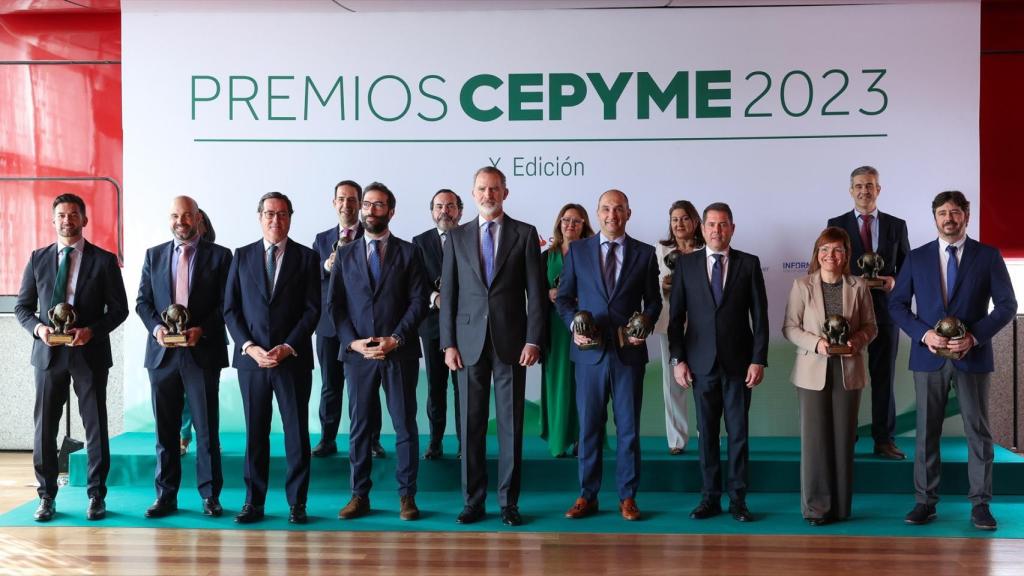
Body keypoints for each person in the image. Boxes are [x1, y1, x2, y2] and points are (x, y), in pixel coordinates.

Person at [889, 191, 1017, 531]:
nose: (949, 218)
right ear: (934, 217)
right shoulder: (916, 258)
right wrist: (924, 334)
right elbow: (897, 305)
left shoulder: (987, 256)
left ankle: (980, 506)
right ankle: (925, 503)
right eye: (943, 212)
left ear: (967, 216)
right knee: (925, 433)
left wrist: (975, 336)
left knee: (978, 432)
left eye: (956, 212)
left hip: (972, 357)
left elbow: (1007, 305)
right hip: (927, 357)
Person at [440, 166, 545, 526]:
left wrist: (533, 340)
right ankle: (473, 502)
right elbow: (449, 296)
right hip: (467, 346)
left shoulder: (525, 234)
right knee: (470, 427)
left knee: (511, 428)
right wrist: (447, 344)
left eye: (495, 189)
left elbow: (536, 295)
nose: (488, 195)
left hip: (512, 345)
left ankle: (508, 503)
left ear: (505, 193)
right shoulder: (456, 237)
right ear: (473, 193)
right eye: (482, 189)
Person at [15, 193, 129, 522]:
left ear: (84, 220)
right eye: (62, 215)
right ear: (53, 221)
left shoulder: (104, 260)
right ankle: (47, 496)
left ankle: (96, 496)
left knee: (95, 426)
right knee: (44, 428)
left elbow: (119, 309)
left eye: (74, 214)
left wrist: (92, 331)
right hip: (48, 355)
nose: (68, 220)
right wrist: (39, 330)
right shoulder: (37, 258)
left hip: (89, 354)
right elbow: (23, 308)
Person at [556, 190, 660, 521]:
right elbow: (564, 298)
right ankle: (588, 495)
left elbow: (654, 302)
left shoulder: (644, 254)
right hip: (588, 354)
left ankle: (628, 496)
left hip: (628, 354)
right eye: (605, 209)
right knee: (589, 428)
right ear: (596, 215)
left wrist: (646, 321)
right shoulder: (578, 251)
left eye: (618, 209)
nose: (612, 214)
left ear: (628, 213)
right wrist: (574, 323)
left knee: (628, 429)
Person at [329, 182, 428, 521]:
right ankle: (359, 496)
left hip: (398, 352)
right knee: (359, 427)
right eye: (367, 205)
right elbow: (336, 306)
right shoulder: (344, 254)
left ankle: (407, 497)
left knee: (404, 425)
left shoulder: (410, 252)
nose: (371, 210)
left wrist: (396, 339)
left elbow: (418, 302)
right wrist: (352, 342)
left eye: (379, 205)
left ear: (391, 211)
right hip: (358, 356)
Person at [668, 202, 768, 523]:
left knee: (738, 435)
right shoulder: (686, 265)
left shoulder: (749, 264)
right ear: (703, 228)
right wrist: (678, 358)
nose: (716, 230)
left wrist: (758, 360)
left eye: (723, 224)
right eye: (711, 224)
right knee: (707, 434)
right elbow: (675, 319)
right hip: (699, 365)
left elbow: (760, 317)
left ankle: (738, 499)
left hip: (740, 365)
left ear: (732, 229)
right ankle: (709, 497)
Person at [224, 192, 320, 525]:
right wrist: (249, 347)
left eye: (281, 214)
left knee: (296, 433)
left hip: (291, 359)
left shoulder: (307, 258)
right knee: (256, 433)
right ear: (259, 217)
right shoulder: (242, 256)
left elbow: (312, 311)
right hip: (252, 362)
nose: (275, 220)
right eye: (269, 214)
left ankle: (297, 503)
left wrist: (287, 346)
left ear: (290, 217)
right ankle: (254, 502)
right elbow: (230, 308)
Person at [135, 196, 231, 518]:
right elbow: (143, 302)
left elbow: (227, 305)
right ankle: (165, 496)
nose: (181, 221)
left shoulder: (220, 256)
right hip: (162, 356)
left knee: (206, 430)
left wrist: (201, 330)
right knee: (165, 432)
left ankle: (210, 496)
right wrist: (156, 330)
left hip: (202, 353)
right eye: (175, 215)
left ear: (197, 217)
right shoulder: (154, 255)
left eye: (187, 215)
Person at [782, 227, 877, 526]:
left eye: (837, 250)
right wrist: (817, 343)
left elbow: (871, 327)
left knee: (843, 440)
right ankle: (816, 508)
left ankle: (840, 507)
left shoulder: (859, 286)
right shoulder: (801, 286)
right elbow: (790, 327)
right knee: (814, 442)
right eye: (824, 250)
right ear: (817, 254)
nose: (830, 256)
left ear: (847, 255)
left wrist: (857, 342)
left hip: (848, 370)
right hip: (812, 371)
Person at [827, 166, 910, 460]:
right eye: (859, 185)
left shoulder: (896, 226)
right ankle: (843, 437)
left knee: (883, 376)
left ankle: (884, 439)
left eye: (870, 185)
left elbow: (907, 269)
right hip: (846, 313)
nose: (865, 190)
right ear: (851, 190)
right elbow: (829, 266)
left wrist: (894, 281)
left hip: (886, 311)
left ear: (879, 189)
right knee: (845, 377)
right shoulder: (835, 224)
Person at [311, 180, 385, 459]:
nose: (346, 205)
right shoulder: (321, 239)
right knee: (331, 384)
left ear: (360, 204)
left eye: (353, 200)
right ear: (334, 203)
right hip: (330, 326)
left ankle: (373, 440)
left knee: (369, 385)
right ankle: (327, 439)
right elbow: (310, 279)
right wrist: (325, 266)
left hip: (366, 326)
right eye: (341, 199)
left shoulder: (374, 234)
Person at [412, 189, 464, 460]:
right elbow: (415, 282)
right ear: (432, 211)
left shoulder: (472, 237)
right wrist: (435, 297)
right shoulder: (419, 242)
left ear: (460, 210)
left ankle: (464, 443)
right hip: (432, 325)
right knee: (436, 386)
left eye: (451, 206)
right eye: (440, 206)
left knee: (463, 388)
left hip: (466, 326)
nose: (445, 211)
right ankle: (435, 440)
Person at [540, 204, 594, 458]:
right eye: (566, 220)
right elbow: (533, 290)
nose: (570, 225)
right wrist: (548, 293)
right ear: (559, 223)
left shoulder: (592, 254)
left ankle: (582, 440)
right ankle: (559, 440)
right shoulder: (545, 256)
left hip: (584, 326)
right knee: (558, 381)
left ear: (584, 225)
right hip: (554, 328)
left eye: (576, 221)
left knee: (583, 384)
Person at [654, 200, 703, 455]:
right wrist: (663, 288)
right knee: (672, 381)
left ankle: (707, 436)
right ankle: (676, 439)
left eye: (684, 218)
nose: (679, 223)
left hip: (702, 327)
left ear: (695, 222)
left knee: (705, 381)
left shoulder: (707, 250)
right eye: (674, 219)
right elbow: (649, 288)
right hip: (669, 324)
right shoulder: (660, 250)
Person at [179, 207, 216, 456]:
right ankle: (183, 436)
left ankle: (207, 438)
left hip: (208, 339)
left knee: (204, 397)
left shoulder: (217, 258)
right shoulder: (166, 255)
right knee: (181, 395)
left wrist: (203, 328)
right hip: (173, 339)